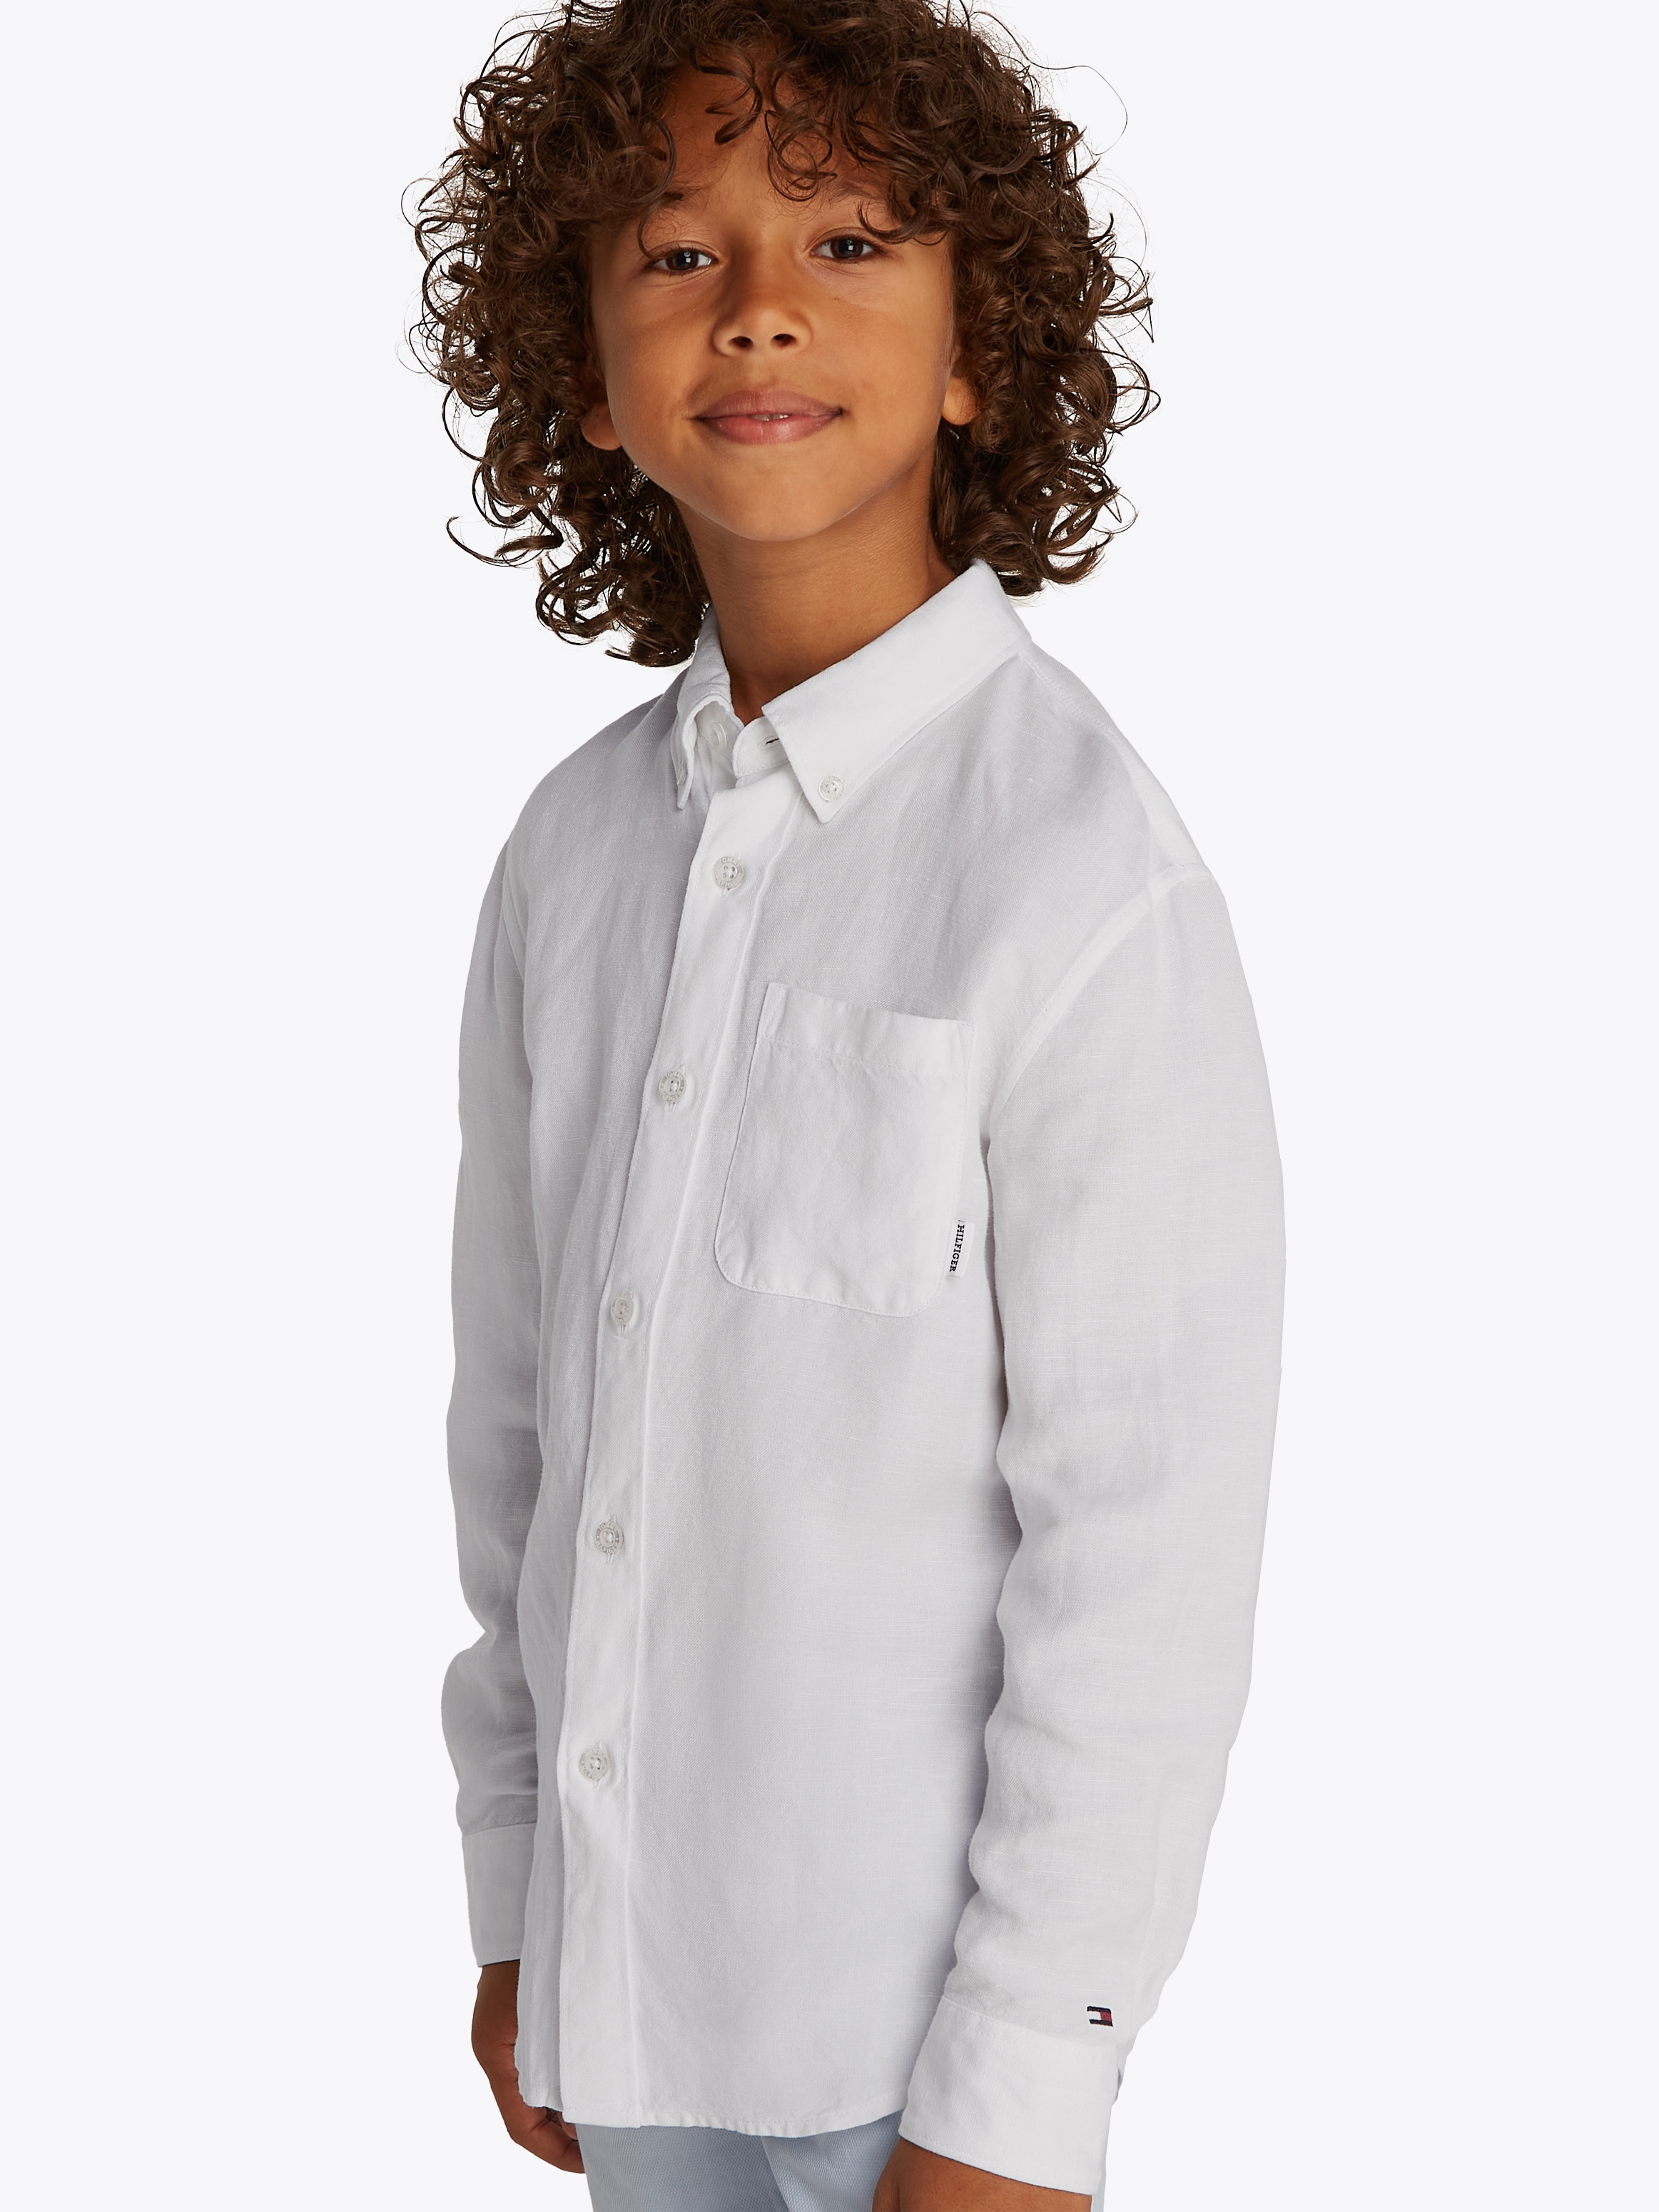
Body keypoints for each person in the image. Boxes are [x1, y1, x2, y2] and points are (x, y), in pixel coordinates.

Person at [413, 4, 1284, 2206]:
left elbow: (1143, 1543)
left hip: (907, 2054)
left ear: (981, 344)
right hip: (635, 2003)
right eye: (678, 251)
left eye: (852, 238)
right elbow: (522, 1430)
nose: (761, 302)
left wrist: (1025, 2082)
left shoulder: (1077, 879)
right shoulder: (570, 857)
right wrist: (523, 1887)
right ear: (585, 367)